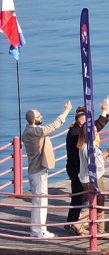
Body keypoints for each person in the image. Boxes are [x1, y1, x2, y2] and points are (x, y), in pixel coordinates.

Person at [22, 100, 72, 237]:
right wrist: (66, 112)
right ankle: (39, 231)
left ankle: (36, 229)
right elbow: (51, 127)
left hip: (35, 170)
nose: (41, 117)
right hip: (38, 171)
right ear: (34, 120)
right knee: (41, 201)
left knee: (38, 201)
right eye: (39, 116)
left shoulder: (28, 131)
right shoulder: (34, 131)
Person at [65, 99, 109, 236]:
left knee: (86, 199)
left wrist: (105, 111)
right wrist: (107, 153)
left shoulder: (81, 133)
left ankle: (80, 224)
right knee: (83, 198)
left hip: (81, 171)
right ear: (81, 118)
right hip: (80, 171)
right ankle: (74, 223)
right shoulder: (76, 134)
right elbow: (95, 161)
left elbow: (96, 126)